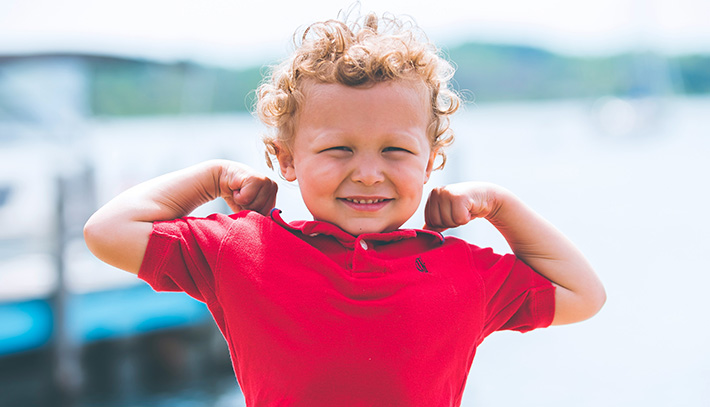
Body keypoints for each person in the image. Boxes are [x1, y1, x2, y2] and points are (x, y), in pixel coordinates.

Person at [84, 10, 605, 407]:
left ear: (430, 163)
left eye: (396, 151)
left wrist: (501, 206)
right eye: (339, 149)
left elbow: (585, 295)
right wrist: (212, 176)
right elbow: (107, 230)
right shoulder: (243, 249)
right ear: (287, 160)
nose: (368, 172)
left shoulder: (462, 270)